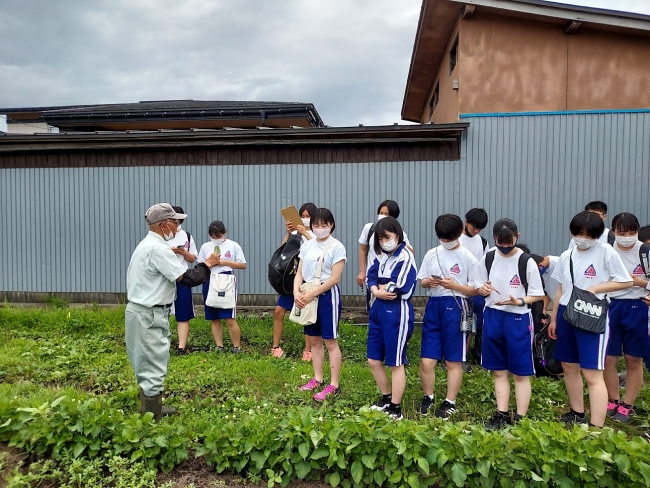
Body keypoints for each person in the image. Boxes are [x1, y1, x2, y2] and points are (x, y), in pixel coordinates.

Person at [125, 203, 219, 421]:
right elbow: (187, 278)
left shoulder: (146, 245)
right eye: (175, 223)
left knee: (145, 361)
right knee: (153, 361)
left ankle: (150, 408)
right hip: (149, 314)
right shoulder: (158, 249)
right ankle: (152, 415)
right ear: (164, 224)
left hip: (140, 311)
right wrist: (207, 264)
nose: (177, 228)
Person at [549, 211, 632, 427]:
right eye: (579, 234)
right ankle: (577, 413)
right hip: (566, 312)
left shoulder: (605, 252)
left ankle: (596, 426)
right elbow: (560, 290)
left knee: (592, 373)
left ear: (597, 235)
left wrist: (597, 288)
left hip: (592, 314)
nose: (583, 239)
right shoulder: (566, 256)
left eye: (589, 235)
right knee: (569, 366)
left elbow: (625, 281)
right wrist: (554, 319)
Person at [474, 218, 544, 429]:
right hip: (493, 317)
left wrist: (519, 301)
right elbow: (478, 284)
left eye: (509, 242)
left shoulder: (526, 261)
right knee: (499, 370)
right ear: (494, 238)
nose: (505, 246)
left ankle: (520, 419)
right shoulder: (488, 258)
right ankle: (501, 414)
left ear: (517, 237)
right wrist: (483, 289)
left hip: (518, 319)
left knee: (520, 373)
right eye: (500, 242)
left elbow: (537, 294)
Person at [417, 214, 478, 418]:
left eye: (448, 237)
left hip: (457, 306)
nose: (445, 241)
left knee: (453, 360)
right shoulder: (432, 254)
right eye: (442, 237)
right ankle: (428, 397)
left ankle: (450, 401)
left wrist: (455, 286)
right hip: (434, 306)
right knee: (427, 360)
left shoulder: (467, 257)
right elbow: (422, 281)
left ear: (460, 232)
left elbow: (475, 290)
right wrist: (428, 282)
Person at [366, 217, 417, 420]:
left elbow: (398, 286)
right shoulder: (382, 256)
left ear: (397, 234)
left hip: (396, 311)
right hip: (378, 308)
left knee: (395, 362)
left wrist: (379, 288)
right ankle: (386, 398)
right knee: (373, 359)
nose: (384, 242)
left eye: (387, 237)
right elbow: (371, 275)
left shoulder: (405, 256)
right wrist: (375, 290)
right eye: (380, 239)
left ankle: (395, 408)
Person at [295, 208, 347, 401]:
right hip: (307, 294)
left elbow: (335, 278)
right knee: (314, 340)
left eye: (323, 225)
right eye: (316, 225)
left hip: (326, 297)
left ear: (331, 225)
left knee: (330, 341)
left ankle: (334, 384)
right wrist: (296, 292)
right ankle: (317, 378)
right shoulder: (307, 245)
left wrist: (312, 294)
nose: (319, 228)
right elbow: (299, 273)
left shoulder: (337, 247)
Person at [603, 213, 649, 423]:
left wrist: (639, 283)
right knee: (608, 358)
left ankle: (627, 405)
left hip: (637, 306)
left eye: (632, 232)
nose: (627, 237)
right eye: (622, 233)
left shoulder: (645, 252)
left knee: (633, 359)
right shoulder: (607, 251)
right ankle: (613, 399)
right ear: (614, 232)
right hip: (611, 306)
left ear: (637, 231)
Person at [272, 202, 317, 360]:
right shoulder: (295, 233)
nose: (305, 219)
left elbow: (317, 251)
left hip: (308, 280)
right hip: (291, 279)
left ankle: (308, 350)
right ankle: (275, 347)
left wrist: (305, 233)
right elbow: (283, 250)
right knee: (279, 311)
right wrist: (289, 233)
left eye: (308, 216)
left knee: (307, 315)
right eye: (302, 216)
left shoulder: (317, 235)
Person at [197, 221, 247, 353]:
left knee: (229, 318)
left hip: (226, 280)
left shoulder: (233, 245)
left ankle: (236, 347)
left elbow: (243, 265)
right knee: (214, 318)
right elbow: (200, 265)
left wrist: (224, 262)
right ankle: (219, 346)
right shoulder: (205, 246)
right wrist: (209, 262)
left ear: (224, 232)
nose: (215, 238)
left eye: (218, 235)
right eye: (212, 236)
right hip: (209, 279)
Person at [356, 200, 413, 311]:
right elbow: (363, 249)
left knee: (390, 308)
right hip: (373, 277)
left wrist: (398, 241)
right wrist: (362, 271)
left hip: (390, 279)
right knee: (373, 308)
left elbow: (410, 252)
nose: (382, 216)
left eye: (386, 214)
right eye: (381, 213)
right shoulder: (369, 228)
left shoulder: (399, 233)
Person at [459, 208, 489, 367]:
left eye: (480, 228)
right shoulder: (456, 239)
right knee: (463, 323)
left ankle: (478, 356)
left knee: (477, 323)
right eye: (474, 227)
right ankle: (459, 355)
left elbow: (486, 264)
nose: (476, 231)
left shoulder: (483, 242)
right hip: (461, 288)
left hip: (478, 289)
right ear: (466, 222)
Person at [167, 205, 198, 356]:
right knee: (162, 313)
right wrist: (169, 251)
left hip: (183, 278)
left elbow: (193, 259)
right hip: (165, 278)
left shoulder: (187, 236)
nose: (177, 223)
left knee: (183, 314)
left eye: (179, 220)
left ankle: (181, 347)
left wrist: (183, 252)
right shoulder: (162, 236)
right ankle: (163, 345)